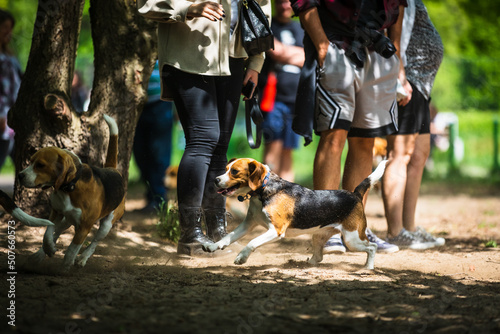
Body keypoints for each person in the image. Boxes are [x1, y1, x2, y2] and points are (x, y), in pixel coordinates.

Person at [137, 0, 271, 255]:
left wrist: (255, 61)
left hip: (234, 59)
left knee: (220, 145)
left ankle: (216, 231)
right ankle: (190, 236)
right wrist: (187, 8)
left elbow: (260, 8)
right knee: (204, 139)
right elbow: (147, 4)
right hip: (189, 58)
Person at [290, 0, 406, 254]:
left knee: (365, 140)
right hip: (336, 45)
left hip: (379, 51)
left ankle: (355, 230)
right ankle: (327, 230)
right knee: (334, 136)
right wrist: (321, 46)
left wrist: (397, 54)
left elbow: (399, 6)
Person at [382, 0, 445, 249]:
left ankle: (409, 228)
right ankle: (395, 231)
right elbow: (393, 31)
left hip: (421, 85)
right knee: (400, 154)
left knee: (419, 154)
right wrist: (400, 75)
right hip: (406, 81)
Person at [259, 0, 304, 182]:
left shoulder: (301, 28)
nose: (285, 6)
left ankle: (287, 197)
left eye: (289, 2)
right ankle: (263, 192)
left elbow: (310, 57)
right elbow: (275, 52)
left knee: (288, 150)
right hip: (273, 99)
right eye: (280, 2)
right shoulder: (268, 27)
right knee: (273, 146)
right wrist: (296, 53)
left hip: (296, 100)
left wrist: (285, 52)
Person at [133, 60, 174, 215]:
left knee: (159, 153)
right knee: (140, 153)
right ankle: (151, 196)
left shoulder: (163, 41)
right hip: (137, 104)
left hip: (160, 103)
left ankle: (159, 200)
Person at [0, 9, 20, 171]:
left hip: (12, 119)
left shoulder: (10, 56)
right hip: (2, 119)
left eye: (10, 27)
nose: (9, 32)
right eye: (5, 27)